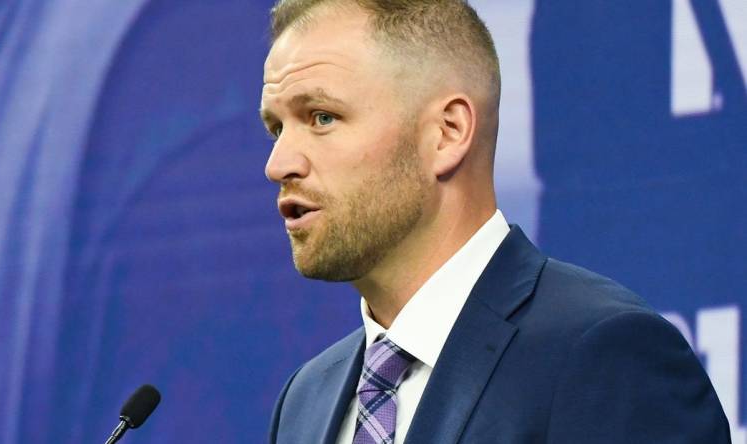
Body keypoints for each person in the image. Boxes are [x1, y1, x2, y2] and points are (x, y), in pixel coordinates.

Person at [259, 0, 731, 443]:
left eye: (322, 117)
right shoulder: (305, 400)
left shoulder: (605, 355)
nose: (279, 164)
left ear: (448, 132)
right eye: (277, 128)